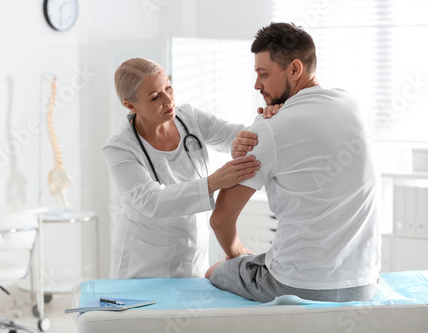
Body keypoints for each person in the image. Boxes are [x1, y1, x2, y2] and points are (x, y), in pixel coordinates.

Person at [205, 22, 382, 303]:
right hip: (363, 283)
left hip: (296, 285)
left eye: (264, 74)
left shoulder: (270, 128)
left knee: (215, 270)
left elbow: (220, 220)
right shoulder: (355, 106)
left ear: (295, 69)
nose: (257, 84)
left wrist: (237, 253)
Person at [103, 58, 269, 279]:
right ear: (131, 105)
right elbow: (151, 201)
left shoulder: (188, 117)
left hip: (193, 253)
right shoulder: (119, 147)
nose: (168, 99)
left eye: (168, 87)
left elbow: (239, 137)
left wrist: (270, 119)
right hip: (144, 264)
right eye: (155, 97)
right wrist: (214, 182)